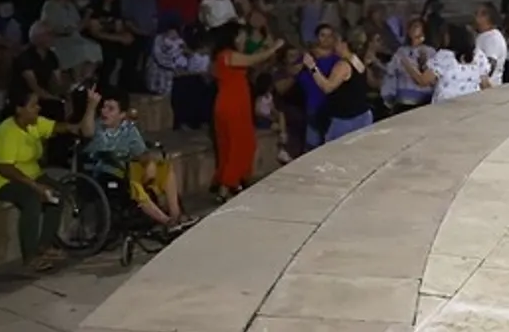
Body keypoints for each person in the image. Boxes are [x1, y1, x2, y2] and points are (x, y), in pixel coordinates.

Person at [0, 86, 98, 272]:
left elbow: (68, 128)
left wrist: (90, 107)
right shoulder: (6, 131)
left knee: (58, 193)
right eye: (34, 105)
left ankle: (45, 246)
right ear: (20, 109)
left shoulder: (34, 123)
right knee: (32, 199)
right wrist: (35, 186)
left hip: (31, 174)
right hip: (1, 180)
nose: (38, 108)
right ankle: (30, 256)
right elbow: (5, 168)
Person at [80, 92, 196, 231]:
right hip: (106, 172)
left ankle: (176, 215)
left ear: (122, 114)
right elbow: (86, 132)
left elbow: (142, 153)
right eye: (104, 107)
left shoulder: (128, 129)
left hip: (128, 169)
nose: (104, 112)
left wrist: (149, 164)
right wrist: (91, 106)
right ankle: (167, 222)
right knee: (134, 182)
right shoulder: (97, 127)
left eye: (110, 109)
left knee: (165, 169)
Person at [210, 23, 283, 202]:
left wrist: (265, 48)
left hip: (233, 104)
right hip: (232, 105)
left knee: (231, 144)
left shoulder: (226, 56)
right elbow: (253, 60)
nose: (244, 39)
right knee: (239, 144)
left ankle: (233, 182)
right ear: (233, 37)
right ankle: (225, 187)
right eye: (242, 35)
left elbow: (254, 61)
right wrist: (274, 48)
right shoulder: (228, 55)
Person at [301, 29, 374, 144]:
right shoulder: (356, 59)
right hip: (363, 115)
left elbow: (327, 87)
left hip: (346, 120)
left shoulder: (343, 65)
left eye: (336, 41)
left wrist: (312, 67)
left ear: (344, 44)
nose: (334, 45)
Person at [400, 25, 491, 104]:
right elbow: (485, 84)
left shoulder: (445, 56)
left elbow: (423, 81)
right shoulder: (479, 56)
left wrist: (408, 65)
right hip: (471, 106)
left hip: (445, 107)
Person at [381, 19, 436, 112]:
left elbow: (431, 77)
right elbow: (390, 70)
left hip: (424, 98)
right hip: (403, 98)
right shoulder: (401, 51)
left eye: (417, 26)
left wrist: (422, 63)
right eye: (412, 26)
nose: (414, 29)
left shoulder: (430, 51)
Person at [472, 3, 506, 87]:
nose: (475, 17)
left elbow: (490, 66)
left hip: (489, 86)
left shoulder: (493, 38)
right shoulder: (483, 35)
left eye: (478, 14)